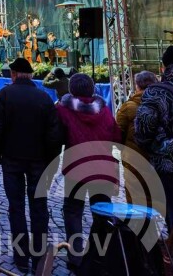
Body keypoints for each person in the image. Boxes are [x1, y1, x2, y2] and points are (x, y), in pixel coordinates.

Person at [0, 58, 62, 273]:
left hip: (11, 158)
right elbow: (54, 134)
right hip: (38, 160)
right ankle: (39, 254)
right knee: (39, 207)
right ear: (30, 75)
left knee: (16, 207)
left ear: (13, 74)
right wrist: (51, 161)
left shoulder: (4, 95)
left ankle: (21, 257)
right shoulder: (43, 97)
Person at [56, 73, 121, 270]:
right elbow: (117, 136)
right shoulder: (104, 111)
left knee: (73, 211)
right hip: (103, 168)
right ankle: (99, 256)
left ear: (72, 89)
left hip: (76, 167)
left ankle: (75, 257)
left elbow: (56, 136)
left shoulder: (62, 110)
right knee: (102, 213)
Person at [135, 45, 173, 230]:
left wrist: (153, 149)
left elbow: (143, 129)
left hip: (171, 167)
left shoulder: (157, 91)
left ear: (165, 66)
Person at [117, 70, 158, 204]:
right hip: (159, 159)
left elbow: (118, 133)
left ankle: (141, 224)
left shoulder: (128, 107)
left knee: (136, 198)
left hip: (134, 159)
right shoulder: (163, 103)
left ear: (137, 86)